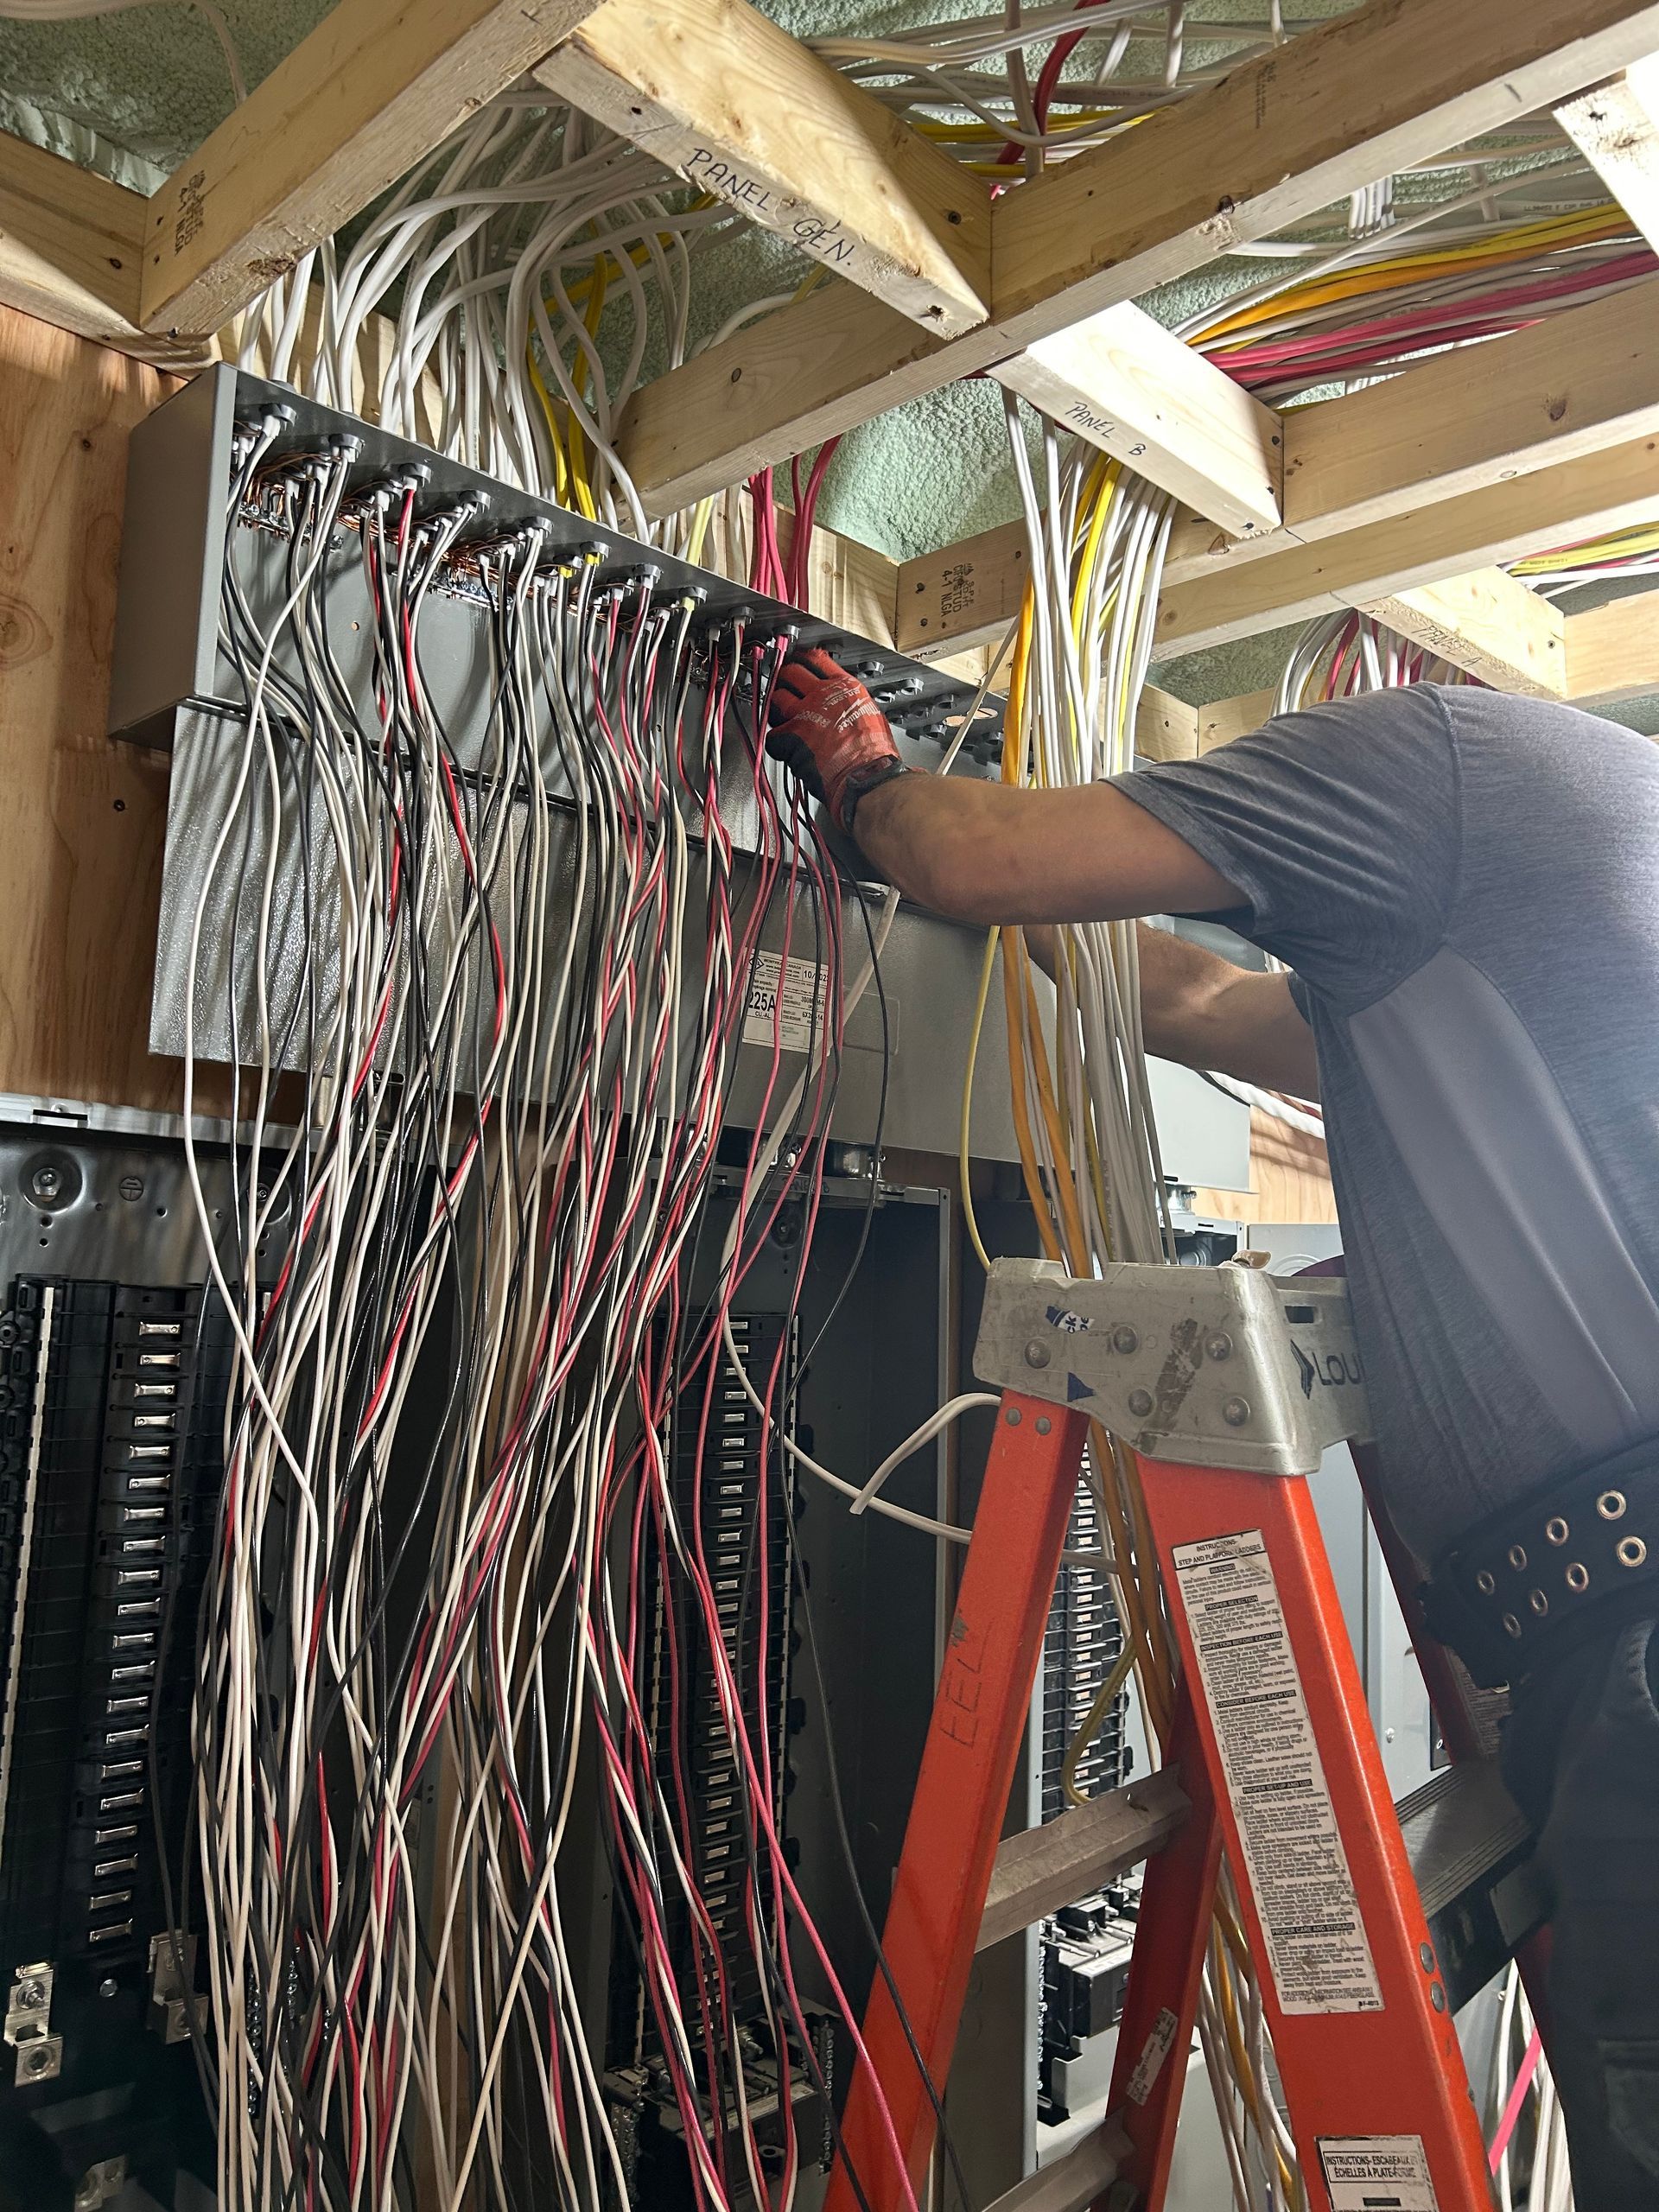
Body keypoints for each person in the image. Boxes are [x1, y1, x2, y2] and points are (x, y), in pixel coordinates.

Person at [766, 643, 1659, 2207]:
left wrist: (862, 781)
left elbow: (977, 855)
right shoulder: (1561, 901)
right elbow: (1186, 991)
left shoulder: (1433, 764)